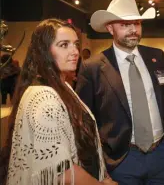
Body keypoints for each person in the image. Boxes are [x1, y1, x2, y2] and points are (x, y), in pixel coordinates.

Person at [76, 0, 164, 185]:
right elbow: (84, 120)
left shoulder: (157, 57)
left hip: (162, 155)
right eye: (125, 25)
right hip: (121, 160)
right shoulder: (92, 68)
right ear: (110, 28)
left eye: (137, 23)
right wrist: (98, 163)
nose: (133, 30)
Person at [0, 19, 117, 185]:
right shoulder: (43, 96)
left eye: (75, 44)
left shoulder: (62, 87)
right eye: (64, 45)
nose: (75, 51)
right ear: (44, 52)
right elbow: (60, 172)